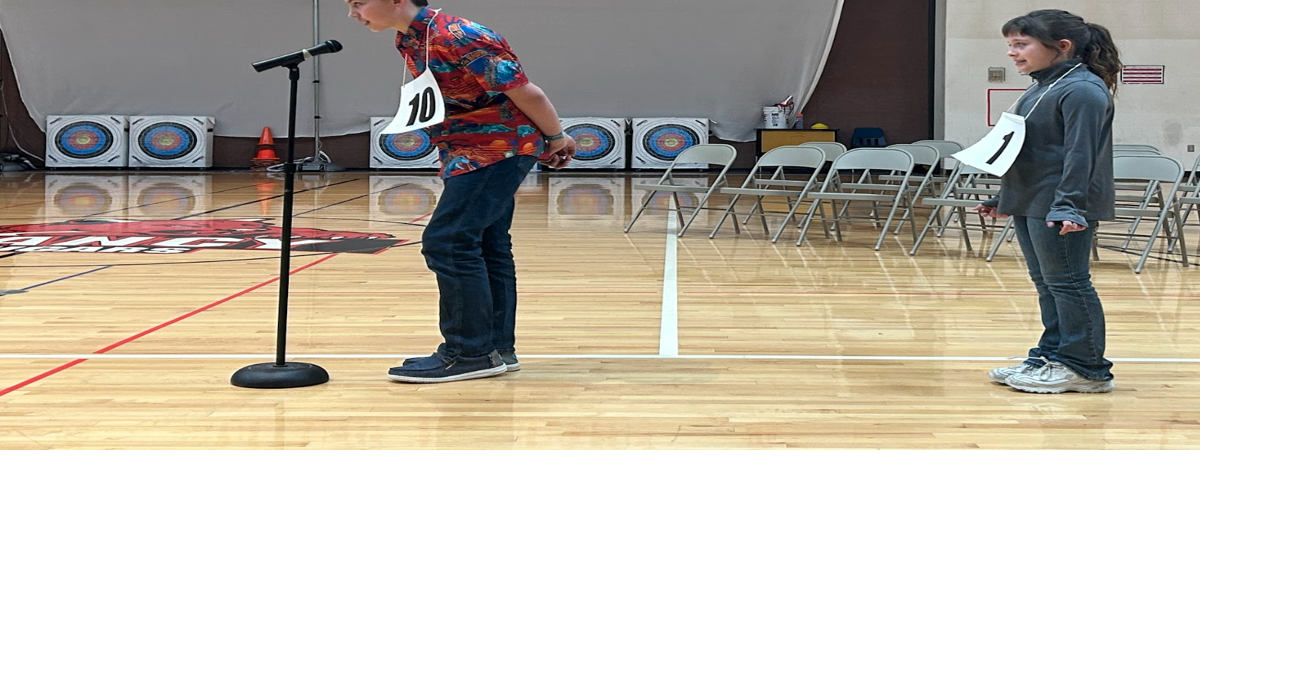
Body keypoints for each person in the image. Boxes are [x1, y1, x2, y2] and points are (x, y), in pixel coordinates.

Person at [346, 0, 577, 383]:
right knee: (487, 245)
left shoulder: (458, 35)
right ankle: (495, 348)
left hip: (495, 150)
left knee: (448, 241)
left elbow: (526, 92)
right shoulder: (412, 38)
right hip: (467, 150)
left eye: (358, 2)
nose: (353, 13)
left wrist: (556, 137)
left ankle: (467, 353)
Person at [976, 9, 1122, 394]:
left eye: (1021, 44)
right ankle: (1053, 354)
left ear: (1062, 47)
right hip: (1033, 200)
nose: (1013, 53)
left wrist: (1069, 205)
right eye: (1010, 45)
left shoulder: (1083, 90)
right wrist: (1004, 196)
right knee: (1048, 283)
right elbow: (1030, 151)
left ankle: (1086, 367)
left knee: (1070, 283)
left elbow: (1080, 155)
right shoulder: (1041, 86)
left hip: (1062, 205)